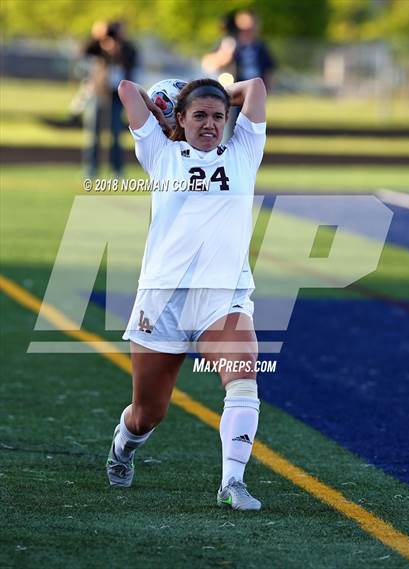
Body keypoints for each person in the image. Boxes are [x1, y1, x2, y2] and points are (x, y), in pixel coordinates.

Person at [106, 74, 267, 511]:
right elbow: (125, 89)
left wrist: (215, 91)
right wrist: (165, 102)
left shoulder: (244, 153)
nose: (211, 123)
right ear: (180, 117)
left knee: (243, 379)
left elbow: (255, 87)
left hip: (224, 298)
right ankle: (123, 446)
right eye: (199, 115)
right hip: (163, 302)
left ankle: (232, 483)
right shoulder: (160, 152)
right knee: (148, 413)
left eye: (218, 115)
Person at [202, 9, 275, 138]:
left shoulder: (260, 46)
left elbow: (268, 69)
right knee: (229, 129)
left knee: (252, 132)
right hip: (234, 93)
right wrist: (225, 54)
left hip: (252, 95)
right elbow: (207, 63)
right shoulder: (229, 42)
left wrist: (265, 92)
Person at [83, 20, 139, 177]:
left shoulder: (128, 48)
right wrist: (98, 37)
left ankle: (117, 169)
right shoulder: (99, 45)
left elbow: (132, 61)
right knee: (93, 133)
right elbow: (84, 51)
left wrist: (117, 50)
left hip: (116, 96)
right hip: (98, 93)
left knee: (115, 133)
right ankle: (91, 169)